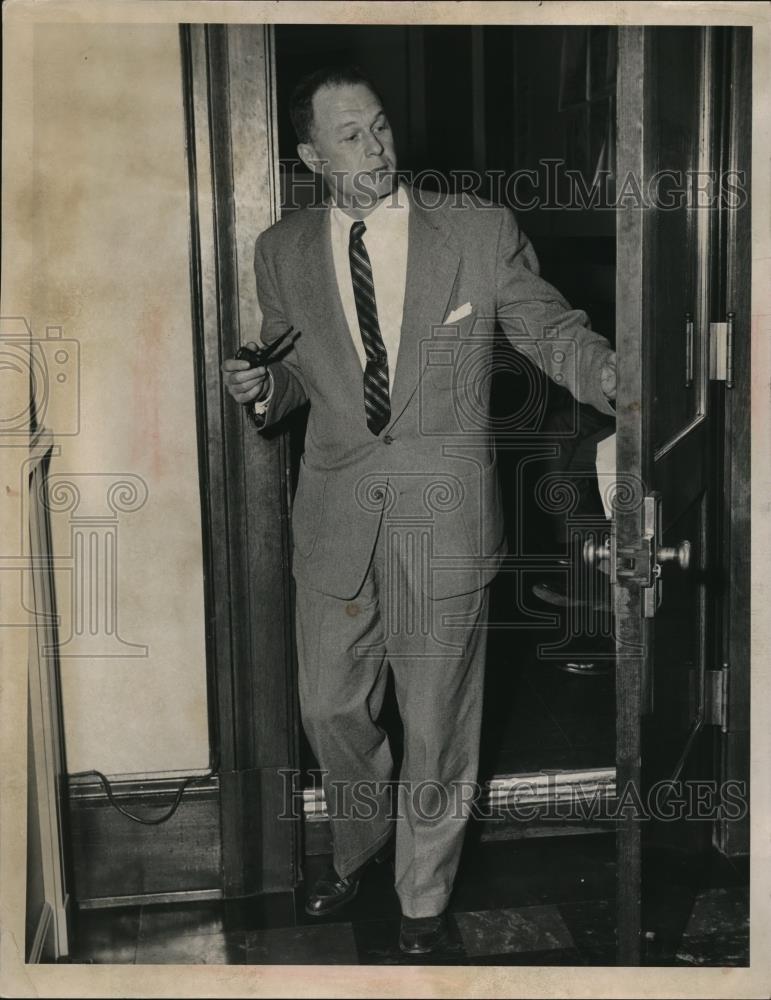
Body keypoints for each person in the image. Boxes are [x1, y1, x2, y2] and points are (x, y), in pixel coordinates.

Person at [222, 65, 617, 955]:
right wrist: (260, 387)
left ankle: (422, 897)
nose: (377, 148)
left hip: (444, 519)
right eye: (351, 136)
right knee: (330, 707)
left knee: (439, 721)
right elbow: (292, 372)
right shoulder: (280, 250)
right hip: (333, 517)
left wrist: (607, 373)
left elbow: (546, 328)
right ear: (311, 156)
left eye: (382, 127)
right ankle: (360, 844)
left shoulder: (475, 231)